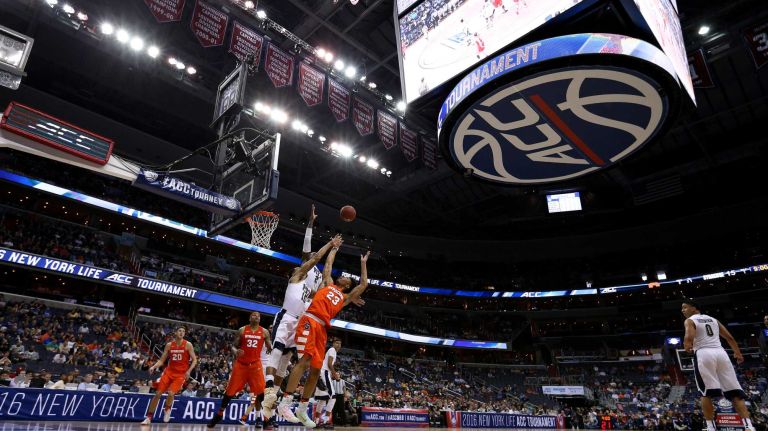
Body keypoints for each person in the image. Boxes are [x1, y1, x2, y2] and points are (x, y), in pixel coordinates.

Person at [273, 243, 371, 428]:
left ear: (347, 285)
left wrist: (363, 263)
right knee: (305, 361)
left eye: (345, 277)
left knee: (316, 370)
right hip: (309, 320)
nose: (341, 276)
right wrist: (334, 249)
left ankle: (302, 409)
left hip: (322, 330)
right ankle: (284, 404)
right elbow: (328, 265)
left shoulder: (345, 298)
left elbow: (364, 284)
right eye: (341, 275)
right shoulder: (327, 283)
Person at [262, 215, 343, 417]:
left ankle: (276, 401)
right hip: (288, 315)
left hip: (301, 320)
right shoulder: (300, 273)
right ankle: (269, 390)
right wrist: (310, 224)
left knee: (288, 360)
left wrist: (341, 294)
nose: (312, 255)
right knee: (278, 352)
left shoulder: (314, 281)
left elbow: (324, 283)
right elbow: (309, 250)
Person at [682, 299, 756, 431]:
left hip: (704, 353)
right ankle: (748, 426)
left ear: (694, 308)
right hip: (721, 353)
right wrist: (737, 353)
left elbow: (689, 337)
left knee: (706, 393)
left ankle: (710, 427)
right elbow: (729, 338)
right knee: (735, 392)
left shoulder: (690, 320)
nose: (683, 310)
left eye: (685, 307)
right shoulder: (713, 319)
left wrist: (687, 346)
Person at [207, 312, 272, 428]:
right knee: (230, 392)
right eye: (254, 315)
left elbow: (269, 346)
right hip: (241, 365)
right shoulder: (242, 330)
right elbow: (233, 346)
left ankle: (266, 419)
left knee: (262, 393)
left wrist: (271, 347)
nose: (256, 317)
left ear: (260, 319)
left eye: (258, 316)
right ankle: (219, 414)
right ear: (249, 318)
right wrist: (235, 351)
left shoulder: (265, 332)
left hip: (255, 365)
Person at [142, 326, 197, 425]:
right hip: (169, 372)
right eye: (180, 331)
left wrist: (189, 371)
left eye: (183, 331)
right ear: (175, 333)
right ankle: (149, 418)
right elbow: (162, 360)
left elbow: (195, 360)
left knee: (171, 393)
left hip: (180, 374)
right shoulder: (169, 345)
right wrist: (153, 367)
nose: (181, 332)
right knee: (158, 394)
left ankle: (167, 409)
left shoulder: (188, 345)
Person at [316, 338, 344, 428]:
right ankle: (326, 421)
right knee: (333, 397)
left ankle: (316, 422)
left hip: (322, 373)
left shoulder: (332, 351)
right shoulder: (332, 350)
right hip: (325, 373)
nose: (338, 345)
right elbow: (329, 364)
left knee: (322, 399)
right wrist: (335, 374)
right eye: (336, 343)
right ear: (333, 344)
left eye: (340, 343)